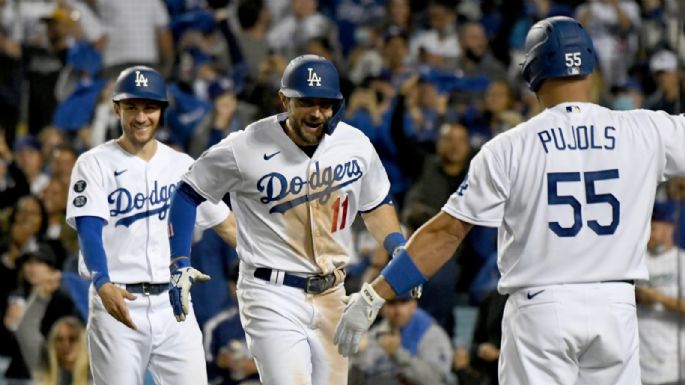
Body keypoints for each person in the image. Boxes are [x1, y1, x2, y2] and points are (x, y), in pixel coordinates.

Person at [334, 16, 685, 385]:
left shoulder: (509, 147)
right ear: (590, 65)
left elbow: (446, 234)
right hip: (616, 307)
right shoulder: (647, 130)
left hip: (543, 310)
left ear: (532, 71)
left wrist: (375, 294)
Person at [166, 54, 406, 385]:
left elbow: (376, 204)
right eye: (307, 102)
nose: (318, 112)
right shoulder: (245, 146)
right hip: (270, 294)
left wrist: (397, 246)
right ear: (284, 100)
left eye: (327, 104)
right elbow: (187, 192)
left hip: (333, 292)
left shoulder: (355, 144)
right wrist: (179, 260)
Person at [65, 65, 234, 385]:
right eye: (132, 107)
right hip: (118, 302)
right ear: (117, 109)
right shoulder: (94, 163)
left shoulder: (181, 165)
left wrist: (273, 260)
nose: (141, 117)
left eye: (149, 108)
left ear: (162, 110)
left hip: (174, 305)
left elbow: (226, 225)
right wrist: (102, 283)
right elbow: (89, 231)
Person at [348, 292, 455, 385]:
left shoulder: (431, 334)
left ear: (413, 305)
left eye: (403, 302)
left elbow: (435, 381)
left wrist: (397, 353)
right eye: (392, 304)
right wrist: (357, 357)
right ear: (382, 308)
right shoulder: (374, 335)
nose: (398, 310)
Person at [636, 201, 685, 385]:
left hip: (672, 366)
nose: (648, 235)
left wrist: (658, 298)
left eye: (653, 228)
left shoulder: (681, 261)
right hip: (640, 366)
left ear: (668, 229)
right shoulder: (637, 262)